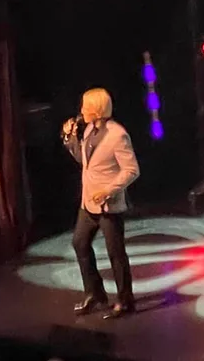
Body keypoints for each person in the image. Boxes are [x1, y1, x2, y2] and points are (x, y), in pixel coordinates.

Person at [61, 88, 140, 319]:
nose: (82, 110)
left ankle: (125, 300)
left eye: (86, 106)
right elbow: (84, 162)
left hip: (109, 204)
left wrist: (109, 189)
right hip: (88, 203)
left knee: (116, 252)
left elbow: (132, 170)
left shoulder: (117, 135)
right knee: (80, 243)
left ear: (96, 109)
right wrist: (70, 139)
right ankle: (94, 294)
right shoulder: (89, 131)